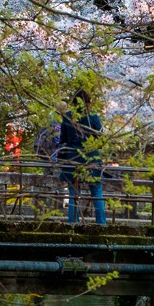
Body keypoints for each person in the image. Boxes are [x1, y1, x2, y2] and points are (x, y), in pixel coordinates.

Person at [58, 89, 106, 226]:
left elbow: (63, 139)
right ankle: (101, 224)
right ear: (88, 103)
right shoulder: (93, 118)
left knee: (74, 192)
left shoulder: (67, 117)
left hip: (72, 157)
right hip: (91, 157)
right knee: (96, 191)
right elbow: (101, 140)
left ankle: (73, 222)